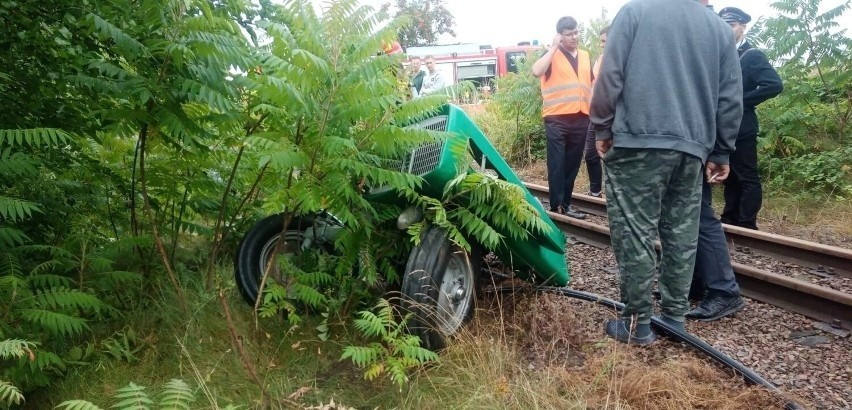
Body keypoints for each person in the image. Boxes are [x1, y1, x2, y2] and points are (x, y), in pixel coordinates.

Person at [590, 0, 743, 345]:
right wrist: (721, 150)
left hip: (636, 142)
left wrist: (602, 126)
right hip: (692, 148)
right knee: (682, 235)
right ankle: (674, 320)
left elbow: (610, 73)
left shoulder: (636, 11)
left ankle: (637, 325)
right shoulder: (719, 28)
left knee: (635, 233)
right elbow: (731, 96)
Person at [718, 7, 784, 230]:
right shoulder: (721, 53)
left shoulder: (751, 55)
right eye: (723, 25)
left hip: (742, 127)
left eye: (732, 25)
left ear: (742, 27)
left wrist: (741, 100)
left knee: (746, 176)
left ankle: (746, 224)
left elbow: (774, 85)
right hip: (721, 126)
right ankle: (729, 219)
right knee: (731, 176)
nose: (727, 30)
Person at [531, 16, 594, 219]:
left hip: (581, 117)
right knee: (557, 162)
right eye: (569, 34)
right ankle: (556, 205)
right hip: (556, 118)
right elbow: (536, 71)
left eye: (576, 32)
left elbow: (589, 86)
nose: (574, 37)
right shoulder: (551, 55)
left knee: (572, 163)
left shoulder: (585, 56)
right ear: (560, 36)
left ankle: (566, 204)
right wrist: (553, 48)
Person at [583, 25, 609, 198]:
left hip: (611, 116)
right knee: (591, 154)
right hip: (595, 114)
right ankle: (595, 191)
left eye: (604, 41)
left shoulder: (624, 59)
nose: (601, 45)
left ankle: (616, 195)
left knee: (612, 157)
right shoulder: (600, 59)